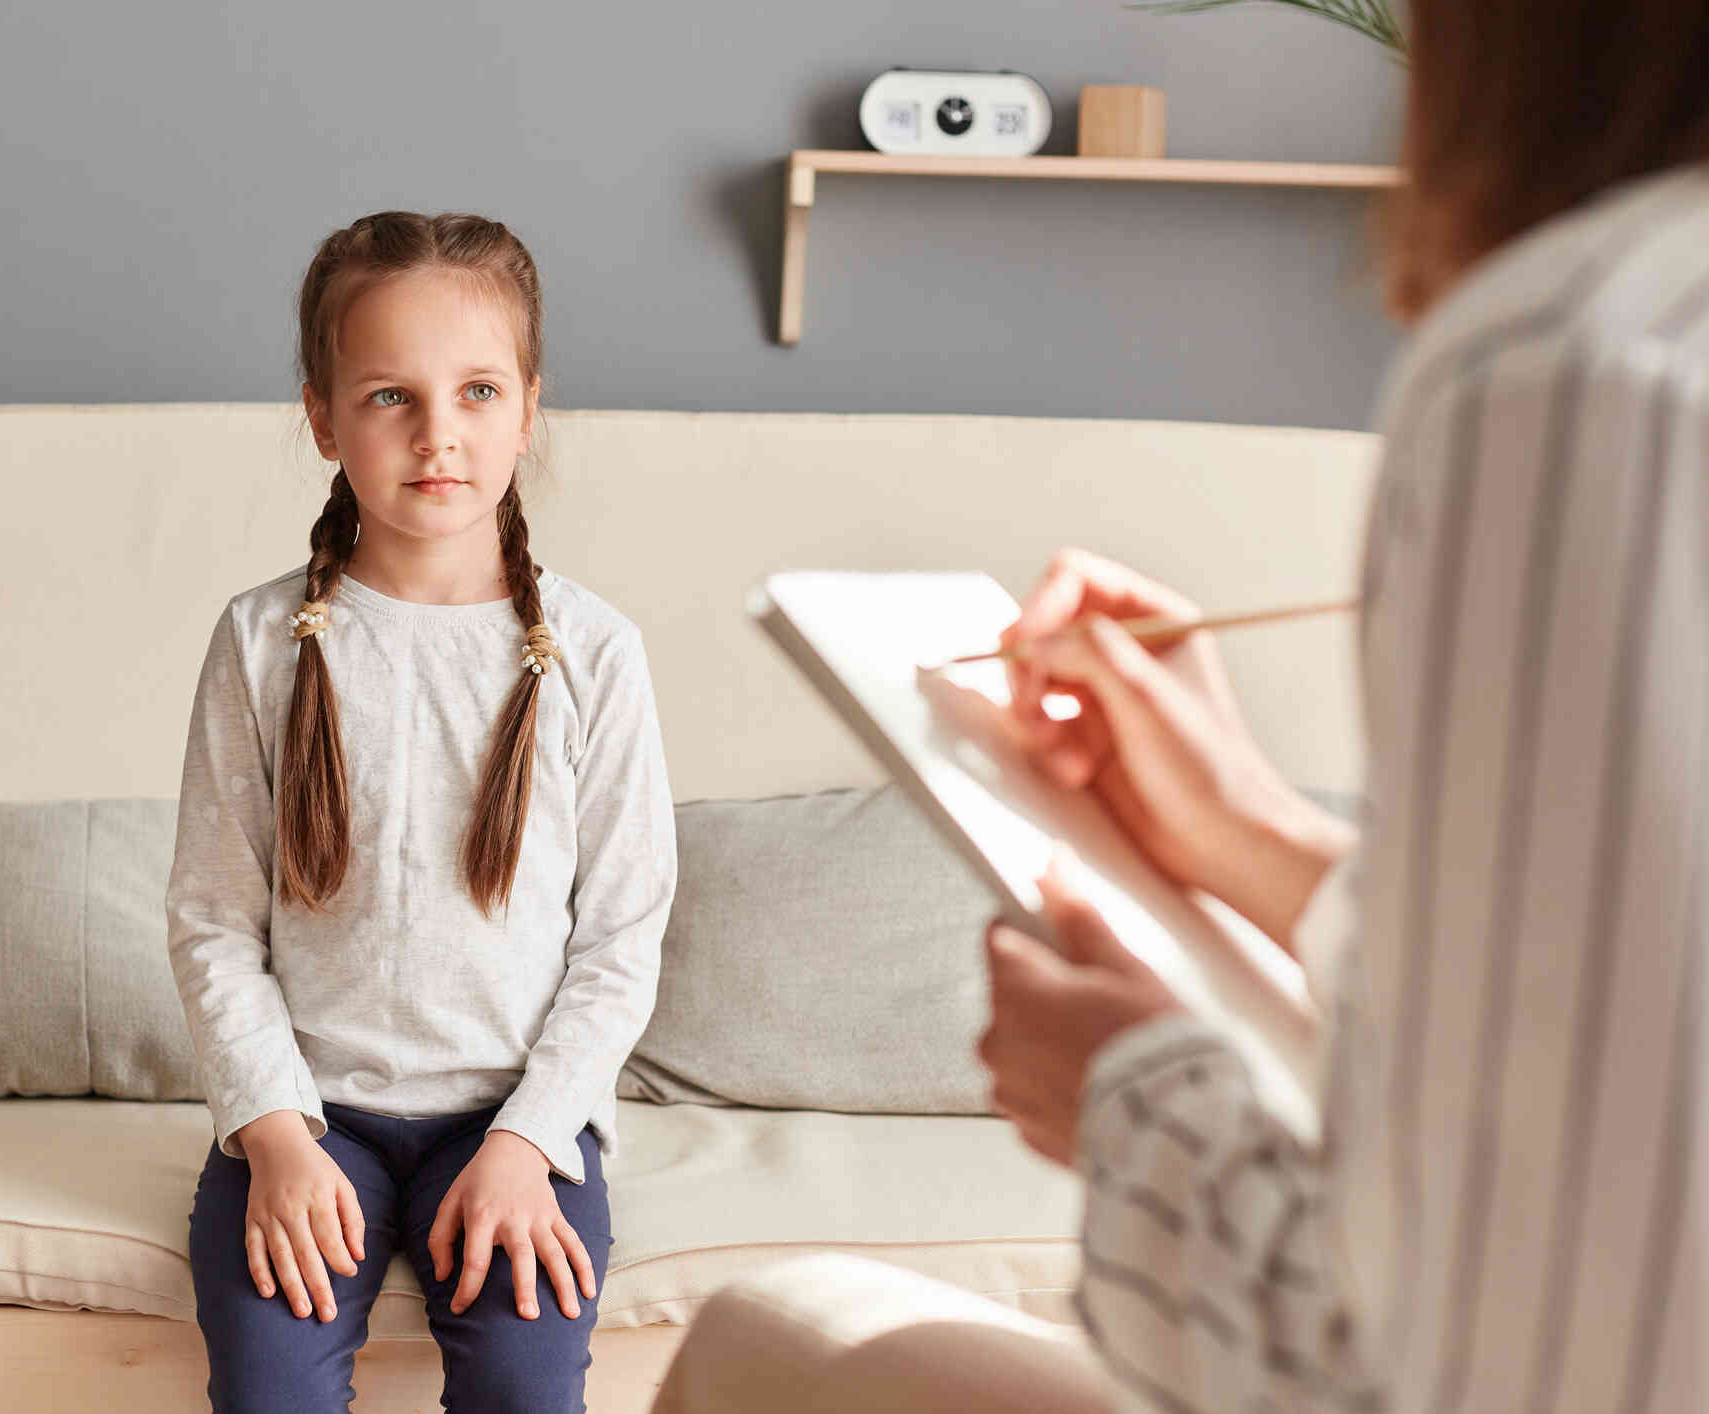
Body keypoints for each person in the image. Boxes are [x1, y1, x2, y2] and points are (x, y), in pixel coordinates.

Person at [654, 0, 1709, 1408]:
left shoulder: (1585, 362)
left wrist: (1133, 1101)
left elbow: (1441, 1362)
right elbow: (1625, 1009)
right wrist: (1249, 832)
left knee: (771, 1337)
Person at [166, 210, 678, 1414]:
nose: (439, 433)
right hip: (311, 1112)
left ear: (529, 406)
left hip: (510, 1121)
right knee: (268, 1388)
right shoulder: (259, 641)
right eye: (390, 395)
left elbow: (620, 938)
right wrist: (279, 1137)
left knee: (525, 1383)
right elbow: (210, 923)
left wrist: (528, 1143)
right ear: (322, 415)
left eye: (479, 390)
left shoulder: (595, 653)